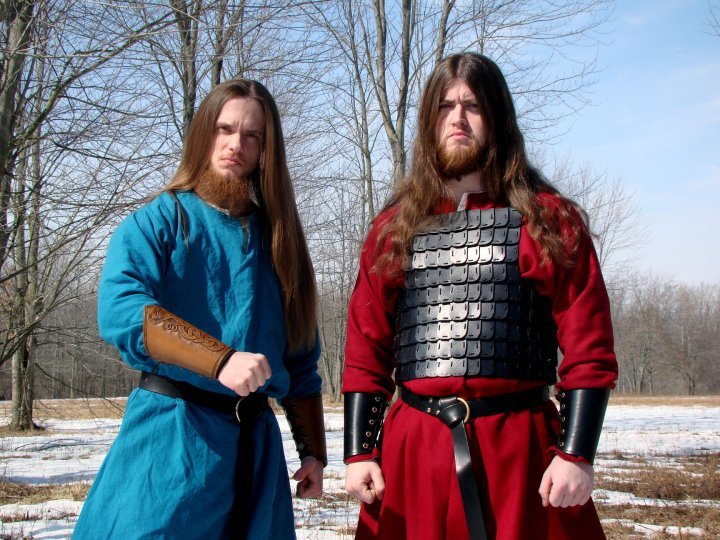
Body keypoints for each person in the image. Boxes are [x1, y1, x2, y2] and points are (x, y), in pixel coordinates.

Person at [342, 53, 617, 540]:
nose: (458, 118)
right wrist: (360, 452)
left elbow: (588, 344)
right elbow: (366, 345)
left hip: (518, 451)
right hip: (414, 450)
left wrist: (576, 454)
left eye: (472, 105)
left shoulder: (548, 220)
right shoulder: (394, 228)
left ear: (498, 118)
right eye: (445, 106)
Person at [74, 79, 327, 539]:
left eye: (252, 135)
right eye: (224, 129)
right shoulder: (159, 221)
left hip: (254, 456)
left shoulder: (280, 242)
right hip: (171, 442)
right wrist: (220, 360)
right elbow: (123, 309)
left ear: (266, 150)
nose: (235, 145)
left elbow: (300, 357)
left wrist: (313, 452)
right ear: (204, 134)